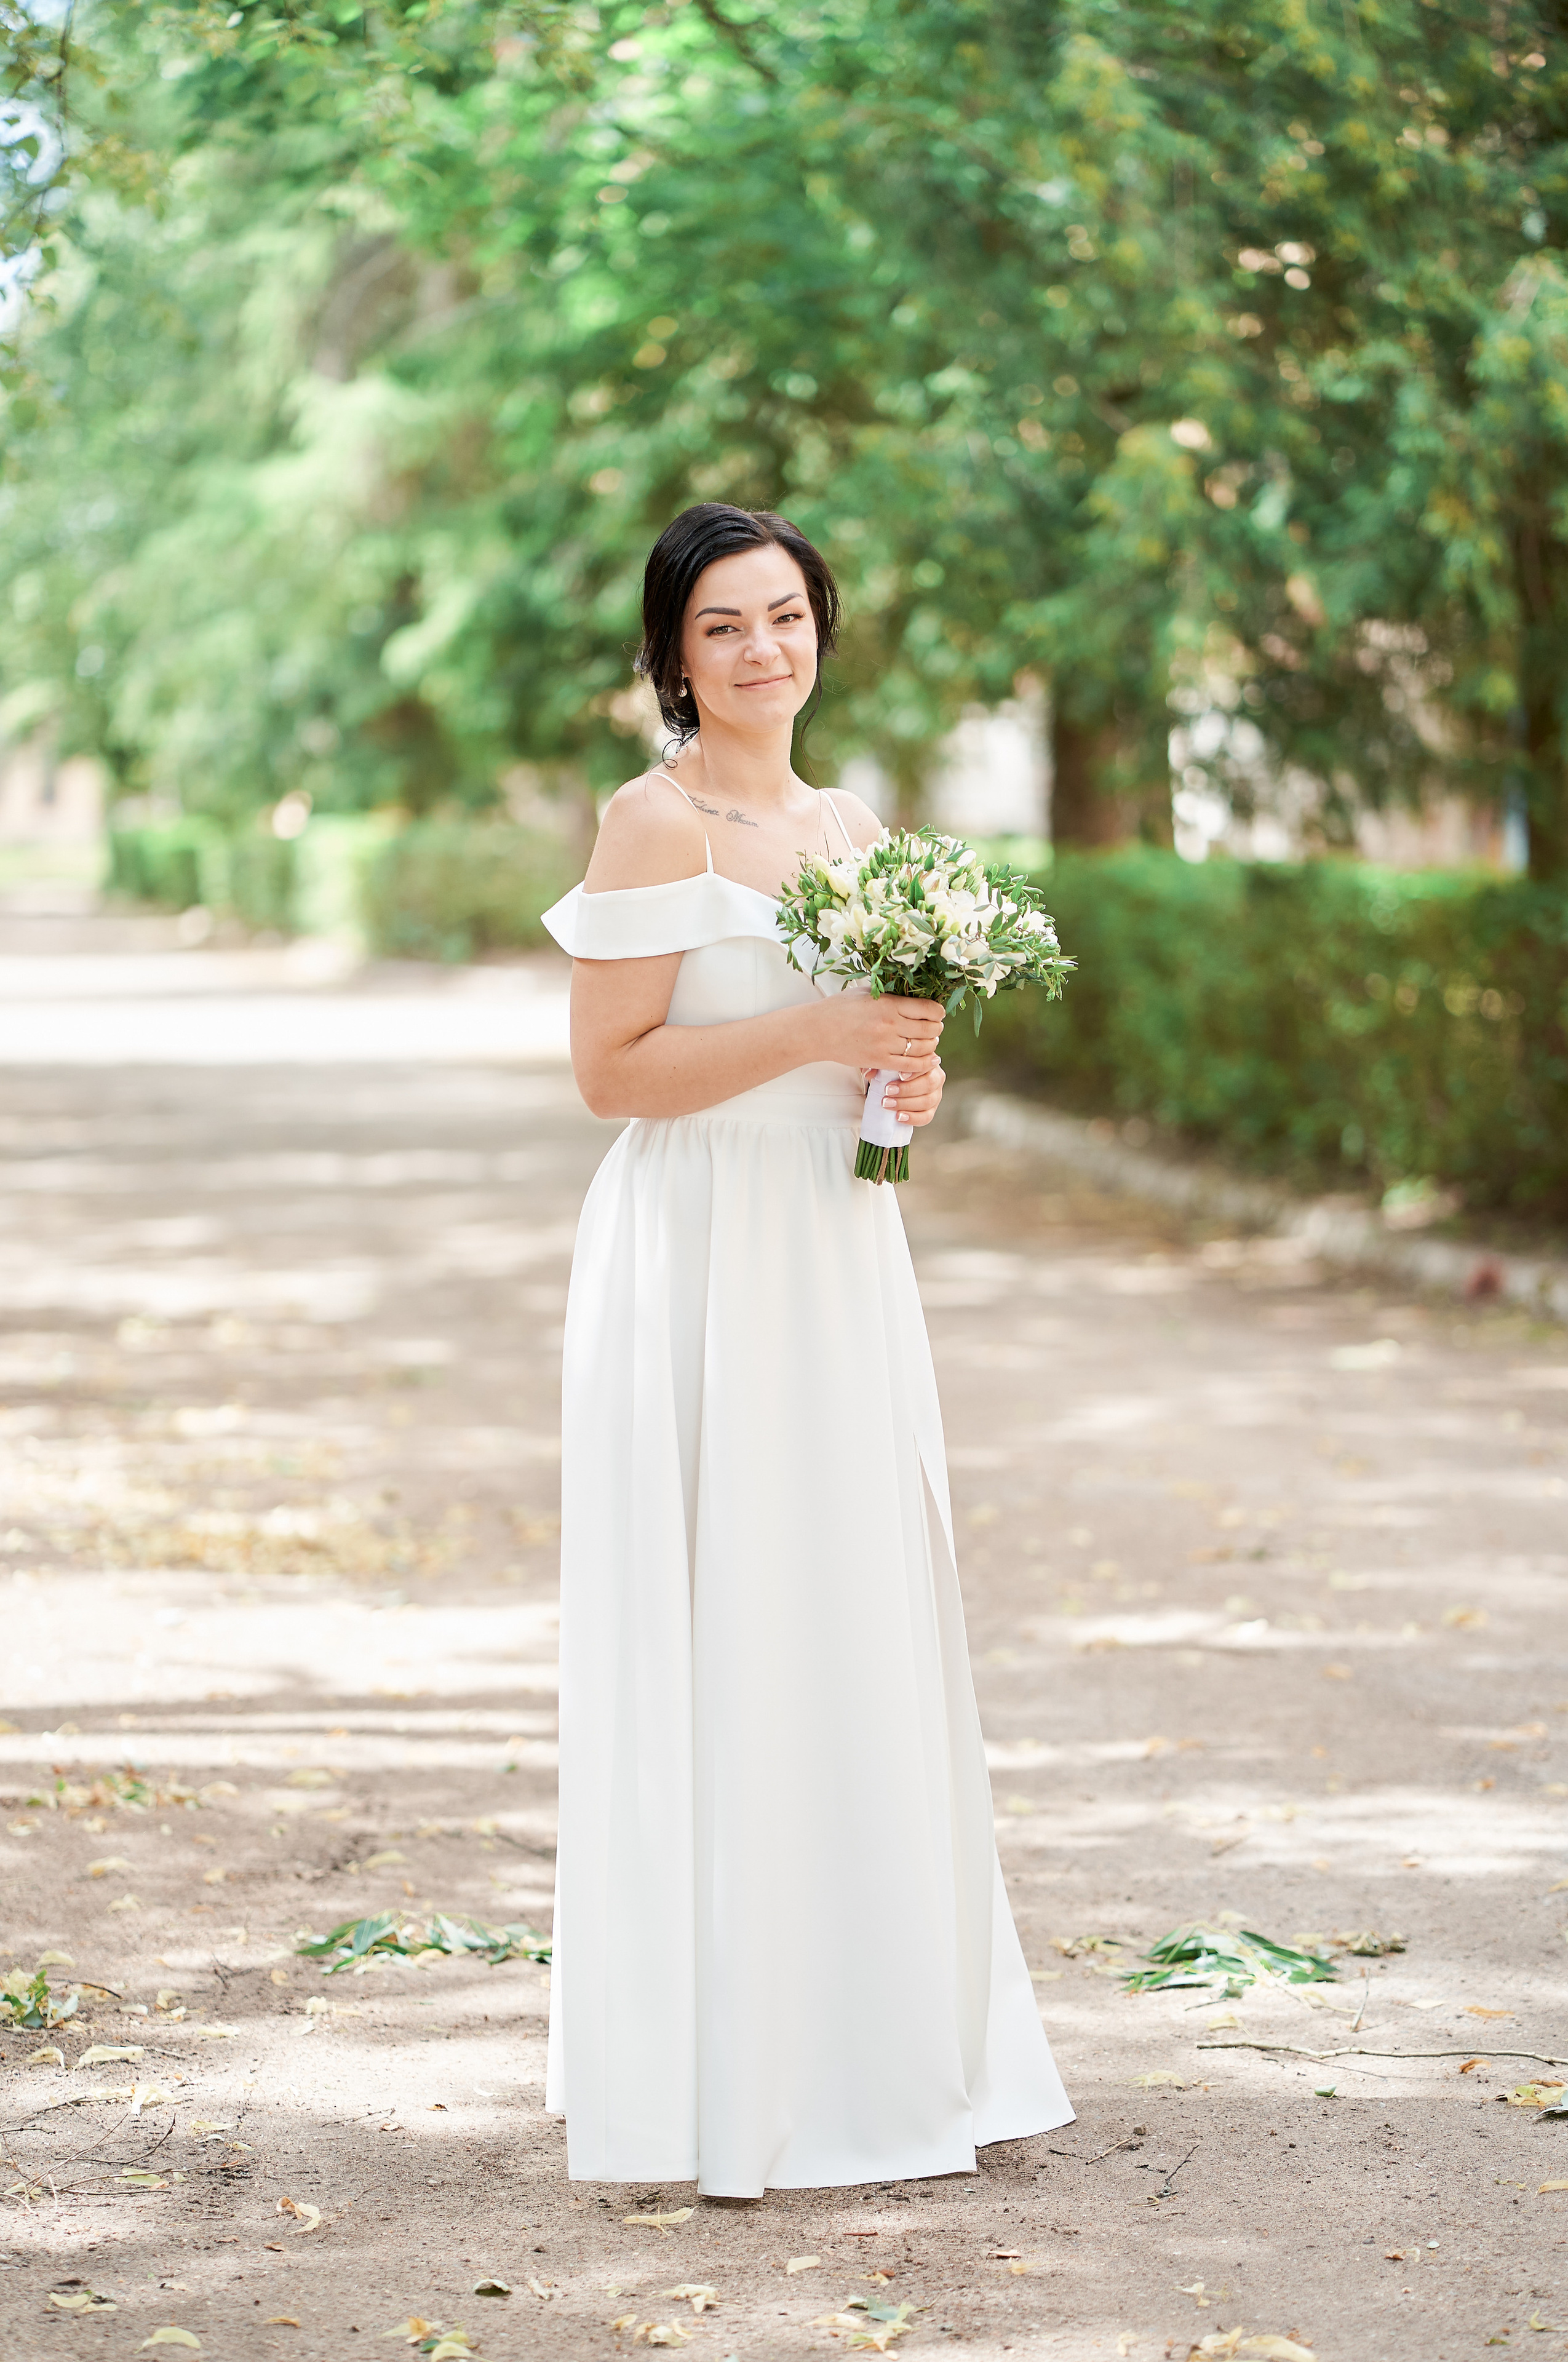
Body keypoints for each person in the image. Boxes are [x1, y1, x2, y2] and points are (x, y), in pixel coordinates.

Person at [541, 501, 1073, 2198]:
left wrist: (902, 1078)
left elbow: (872, 1053)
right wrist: (818, 1028)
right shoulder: (648, 824)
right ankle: (729, 2073)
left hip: (840, 1248)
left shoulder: (854, 824)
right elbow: (615, 1075)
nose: (765, 648)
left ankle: (878, 2042)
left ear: (820, 626)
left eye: (786, 615)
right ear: (674, 655)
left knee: (855, 1609)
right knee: (726, 1613)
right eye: (725, 627)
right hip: (701, 1250)